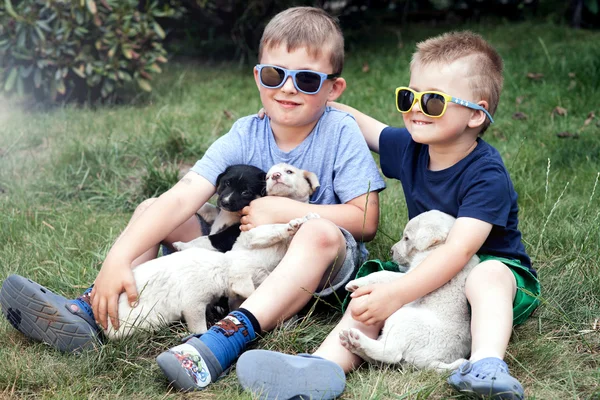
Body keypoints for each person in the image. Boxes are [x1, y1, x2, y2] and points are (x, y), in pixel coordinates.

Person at [0, 6, 385, 396]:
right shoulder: (246, 131)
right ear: (258, 76)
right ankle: (98, 311)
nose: (287, 88)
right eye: (274, 75)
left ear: (333, 89)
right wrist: (116, 257)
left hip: (313, 266)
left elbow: (365, 218)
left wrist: (292, 211)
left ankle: (223, 340)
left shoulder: (339, 131)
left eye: (305, 79)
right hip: (236, 251)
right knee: (152, 210)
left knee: (317, 233)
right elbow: (185, 194)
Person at [235, 31, 541, 400]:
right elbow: (367, 126)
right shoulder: (412, 148)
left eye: (432, 101)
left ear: (476, 114)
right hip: (424, 272)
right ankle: (321, 366)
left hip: (490, 277)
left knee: (486, 275)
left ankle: (486, 364)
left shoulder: (486, 174)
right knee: (372, 291)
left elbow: (459, 252)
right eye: (408, 96)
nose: (415, 108)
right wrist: (301, 101)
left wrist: (399, 293)